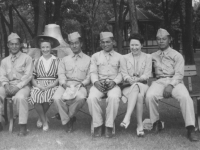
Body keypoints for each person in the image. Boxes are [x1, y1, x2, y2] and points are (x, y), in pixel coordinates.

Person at [145, 28, 198, 142]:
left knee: (185, 97)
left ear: (169, 40)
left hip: (175, 81)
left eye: (164, 39)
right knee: (149, 96)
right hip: (159, 81)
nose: (161, 41)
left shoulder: (177, 55)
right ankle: (156, 123)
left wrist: (170, 85)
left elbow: (179, 74)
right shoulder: (152, 56)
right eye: (158, 39)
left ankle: (191, 128)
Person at [53, 32, 90, 133]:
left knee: (81, 97)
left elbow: (89, 76)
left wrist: (82, 84)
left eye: (76, 43)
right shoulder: (64, 59)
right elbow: (61, 74)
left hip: (80, 85)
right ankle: (68, 120)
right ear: (69, 45)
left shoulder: (89, 59)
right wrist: (64, 84)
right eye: (72, 43)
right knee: (56, 98)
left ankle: (67, 117)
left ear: (81, 44)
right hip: (65, 84)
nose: (74, 45)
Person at [87, 32, 122, 138]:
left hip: (113, 84)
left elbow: (121, 73)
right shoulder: (95, 56)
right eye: (103, 42)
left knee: (113, 97)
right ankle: (97, 124)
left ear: (113, 42)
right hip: (99, 84)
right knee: (91, 98)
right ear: (100, 44)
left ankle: (109, 125)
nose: (105, 44)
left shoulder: (120, 57)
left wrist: (114, 82)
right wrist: (96, 82)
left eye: (108, 42)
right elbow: (93, 72)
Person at [0, 33, 33, 136]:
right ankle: (0, 119)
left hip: (23, 86)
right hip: (8, 85)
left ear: (20, 45)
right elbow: (2, 76)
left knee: (21, 97)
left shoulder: (27, 58)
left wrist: (17, 87)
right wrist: (6, 86)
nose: (14, 46)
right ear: (8, 45)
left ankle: (23, 126)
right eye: (12, 44)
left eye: (17, 44)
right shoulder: (4, 61)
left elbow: (28, 76)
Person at [120, 33, 152, 137]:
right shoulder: (124, 58)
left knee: (137, 86)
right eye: (132, 45)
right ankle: (139, 126)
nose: (134, 47)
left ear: (141, 45)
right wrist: (129, 79)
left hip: (143, 86)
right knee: (138, 95)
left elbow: (147, 74)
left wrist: (138, 79)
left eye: (136, 45)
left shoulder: (148, 57)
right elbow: (124, 73)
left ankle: (127, 117)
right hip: (128, 87)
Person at [28, 35, 60, 131]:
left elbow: (59, 77)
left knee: (48, 95)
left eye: (47, 47)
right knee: (35, 95)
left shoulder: (57, 61)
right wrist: (37, 85)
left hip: (52, 84)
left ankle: (40, 118)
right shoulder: (37, 61)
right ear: (40, 48)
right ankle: (44, 121)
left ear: (51, 48)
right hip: (39, 84)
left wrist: (51, 85)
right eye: (43, 47)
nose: (45, 49)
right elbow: (32, 77)